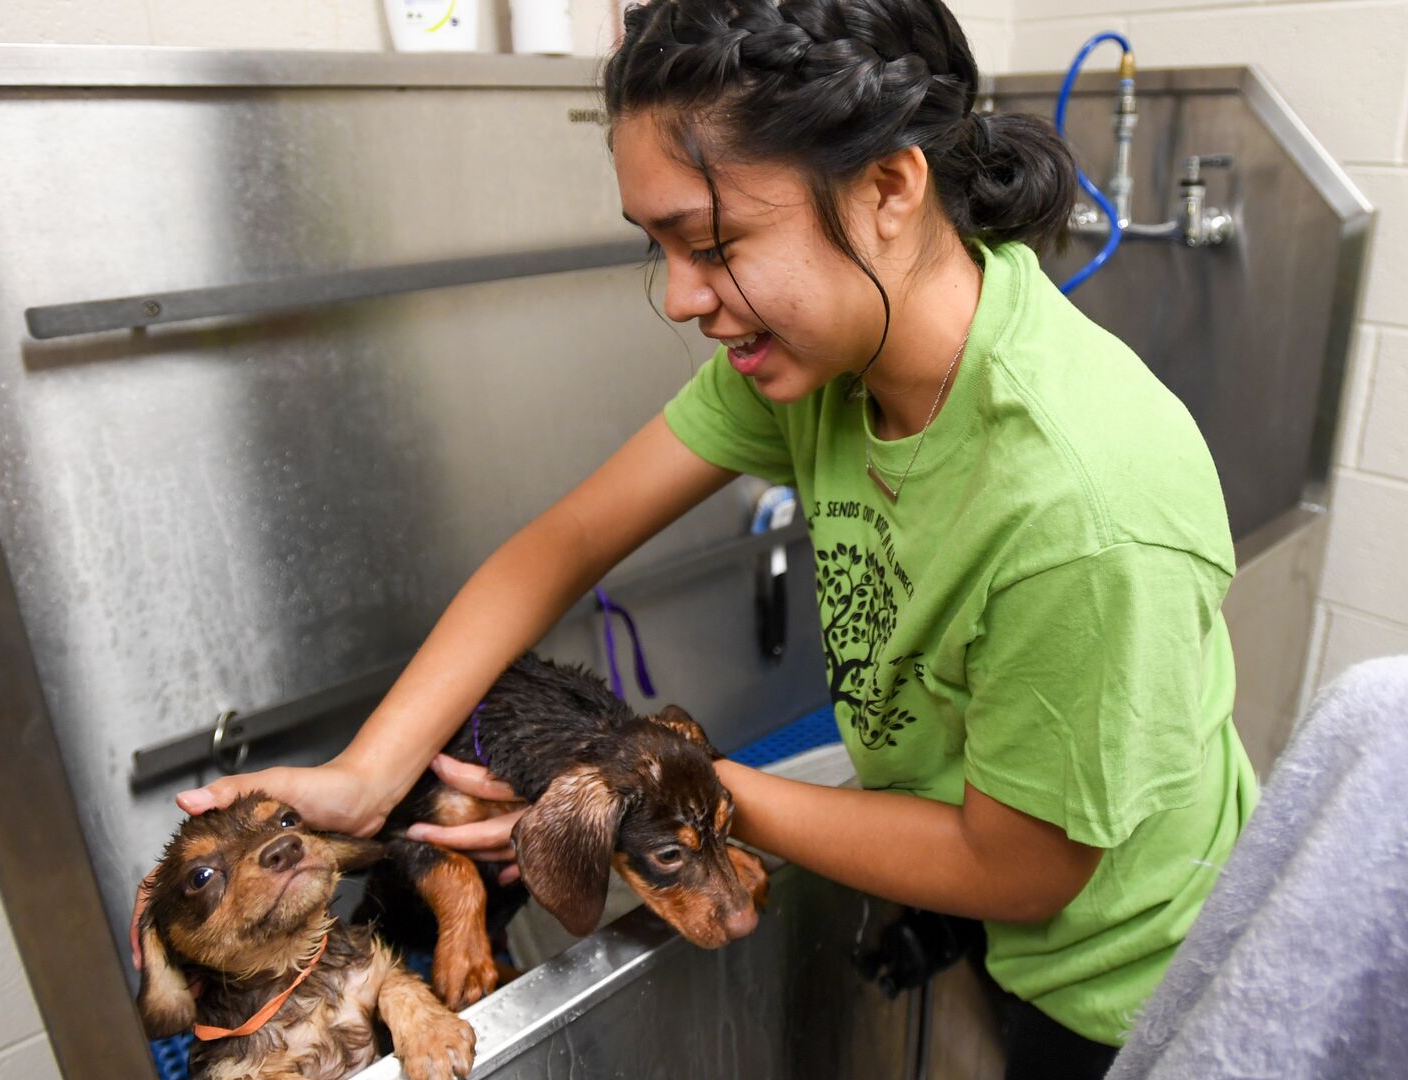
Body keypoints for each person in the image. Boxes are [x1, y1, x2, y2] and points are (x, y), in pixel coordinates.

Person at [135, 0, 1257, 1075]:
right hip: (977, 870)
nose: (679, 298)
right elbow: (563, 542)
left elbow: (1019, 872)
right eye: (656, 246)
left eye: (712, 242)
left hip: (1136, 977)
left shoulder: (1080, 507)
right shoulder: (826, 358)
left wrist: (669, 786)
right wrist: (367, 776)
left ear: (887, 188)